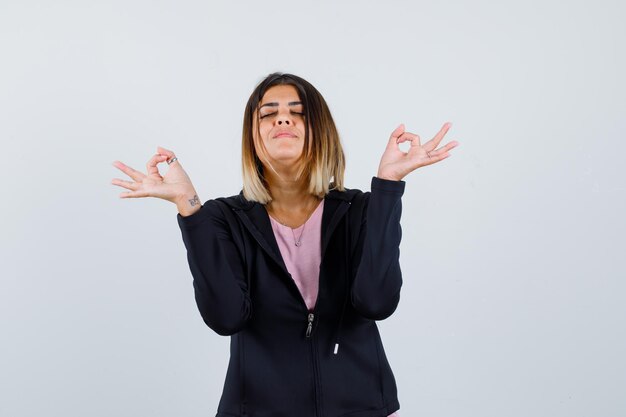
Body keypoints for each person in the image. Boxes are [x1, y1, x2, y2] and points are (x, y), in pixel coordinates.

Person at [111, 72, 458, 417]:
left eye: (298, 111)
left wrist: (387, 187)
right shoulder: (223, 217)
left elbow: (376, 302)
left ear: (319, 130)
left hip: (363, 406)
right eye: (267, 112)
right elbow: (226, 318)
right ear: (254, 136)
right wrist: (188, 205)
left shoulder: (359, 210)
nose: (282, 117)